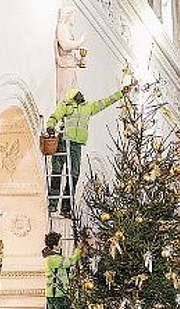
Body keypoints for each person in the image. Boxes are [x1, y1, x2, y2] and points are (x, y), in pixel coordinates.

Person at [47, 85, 124, 215]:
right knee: (56, 172)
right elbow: (55, 117)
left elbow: (105, 102)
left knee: (74, 175)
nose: (82, 96)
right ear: (73, 97)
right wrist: (50, 127)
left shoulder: (88, 108)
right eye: (79, 94)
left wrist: (121, 94)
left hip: (76, 145)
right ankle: (53, 203)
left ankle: (66, 208)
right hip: (63, 142)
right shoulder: (66, 106)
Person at [43, 231, 81, 309]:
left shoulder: (50, 257)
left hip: (52, 295)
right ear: (55, 245)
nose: (61, 245)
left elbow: (63, 271)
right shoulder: (54, 258)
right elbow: (69, 262)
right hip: (59, 295)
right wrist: (79, 250)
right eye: (60, 242)